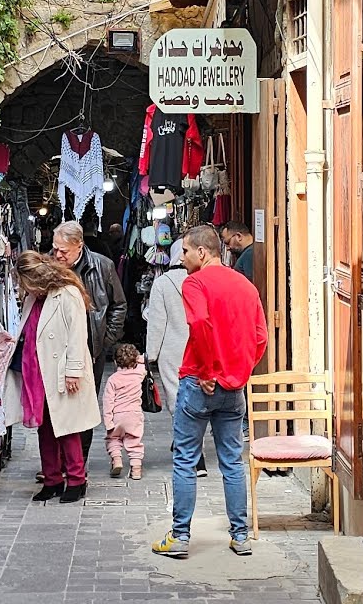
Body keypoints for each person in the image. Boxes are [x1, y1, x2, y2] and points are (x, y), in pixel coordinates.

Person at [153, 225, 267, 559]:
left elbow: (200, 323)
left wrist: (206, 370)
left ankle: (180, 537)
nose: (182, 257)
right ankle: (240, 535)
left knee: (185, 460)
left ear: (202, 252)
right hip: (234, 385)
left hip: (200, 383)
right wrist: (239, 370)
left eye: (185, 251)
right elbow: (260, 336)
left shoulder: (195, 283)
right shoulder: (245, 286)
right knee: (232, 461)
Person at [7, 251, 102, 504]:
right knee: (45, 427)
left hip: (59, 371)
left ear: (36, 278)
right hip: (37, 371)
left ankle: (76, 479)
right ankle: (52, 479)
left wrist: (73, 371)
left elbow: (77, 336)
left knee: (67, 428)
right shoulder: (33, 298)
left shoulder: (68, 294)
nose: (23, 288)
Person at [51, 221, 128, 460]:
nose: (58, 255)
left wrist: (105, 341)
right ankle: (58, 461)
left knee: (83, 404)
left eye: (64, 250)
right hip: (55, 348)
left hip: (90, 348)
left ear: (79, 246)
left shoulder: (102, 266)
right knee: (55, 403)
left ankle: (78, 461)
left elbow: (118, 305)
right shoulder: (49, 265)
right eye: (55, 249)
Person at [146, 240, 207, 477]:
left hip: (172, 350)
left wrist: (150, 355)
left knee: (177, 401)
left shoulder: (162, 283)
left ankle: (194, 457)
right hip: (201, 346)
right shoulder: (203, 280)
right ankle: (191, 448)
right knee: (200, 400)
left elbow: (157, 322)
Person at [103, 344, 147, 480]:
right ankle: (136, 470)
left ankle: (116, 460)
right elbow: (143, 360)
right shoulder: (140, 373)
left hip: (117, 416)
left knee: (113, 439)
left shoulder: (113, 379)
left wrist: (108, 421)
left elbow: (107, 402)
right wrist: (136, 358)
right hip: (134, 415)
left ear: (115, 362)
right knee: (134, 441)